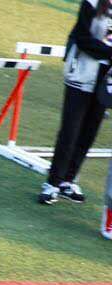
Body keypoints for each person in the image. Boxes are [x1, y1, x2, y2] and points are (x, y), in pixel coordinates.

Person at [38, 0, 112, 206]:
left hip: (106, 80)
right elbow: (82, 38)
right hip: (82, 74)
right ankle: (52, 184)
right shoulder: (92, 3)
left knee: (89, 133)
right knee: (70, 131)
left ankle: (68, 181)